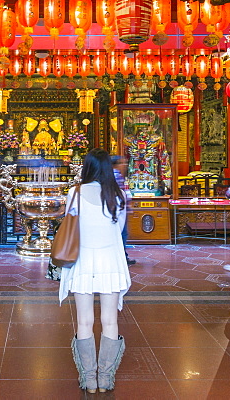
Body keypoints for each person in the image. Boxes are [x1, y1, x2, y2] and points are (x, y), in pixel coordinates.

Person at [60, 149, 130, 393]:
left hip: (83, 263)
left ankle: (89, 379)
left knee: (84, 321)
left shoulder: (75, 193)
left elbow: (70, 225)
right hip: (110, 262)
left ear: (87, 167)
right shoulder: (118, 196)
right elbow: (118, 231)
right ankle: (105, 379)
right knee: (110, 320)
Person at [111, 155, 136, 266]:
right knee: (122, 233)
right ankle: (122, 257)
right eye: (122, 163)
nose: (124, 165)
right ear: (116, 165)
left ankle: (122, 256)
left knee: (122, 233)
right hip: (119, 210)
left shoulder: (117, 175)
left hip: (120, 209)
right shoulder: (115, 175)